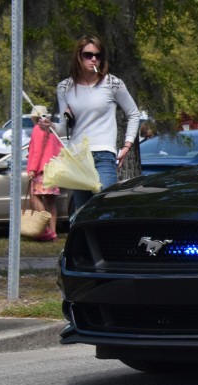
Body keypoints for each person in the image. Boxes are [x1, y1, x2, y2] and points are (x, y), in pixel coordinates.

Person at [53, 36, 140, 208]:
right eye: (88, 55)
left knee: (104, 207)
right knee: (82, 212)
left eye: (98, 55)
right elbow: (64, 128)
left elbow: (134, 113)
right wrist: (49, 127)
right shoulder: (65, 87)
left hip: (104, 154)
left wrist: (127, 146)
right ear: (78, 56)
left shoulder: (112, 83)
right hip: (78, 156)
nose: (94, 59)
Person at [26, 106, 64, 242]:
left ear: (34, 118)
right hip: (52, 169)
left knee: (35, 198)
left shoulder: (37, 129)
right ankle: (53, 232)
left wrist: (32, 169)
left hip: (41, 169)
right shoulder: (52, 130)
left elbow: (37, 151)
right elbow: (60, 148)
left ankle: (45, 230)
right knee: (51, 202)